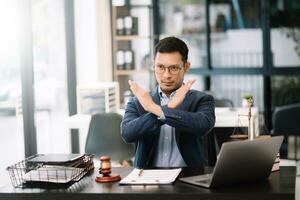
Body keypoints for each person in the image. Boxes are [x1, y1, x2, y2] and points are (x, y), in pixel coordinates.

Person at [121, 37, 215, 168]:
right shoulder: (138, 101)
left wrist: (153, 108)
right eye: (160, 67)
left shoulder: (202, 99)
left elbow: (202, 125)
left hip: (189, 177)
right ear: (154, 65)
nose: (166, 75)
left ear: (186, 67)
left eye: (174, 68)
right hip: (147, 178)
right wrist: (169, 107)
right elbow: (127, 134)